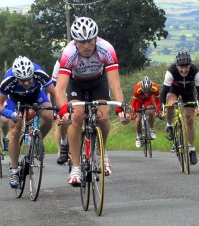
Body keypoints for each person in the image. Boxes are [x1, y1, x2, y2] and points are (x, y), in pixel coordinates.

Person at [54, 17, 129, 186]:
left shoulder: (107, 49)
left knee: (102, 117)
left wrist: (121, 109)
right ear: (75, 41)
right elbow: (59, 89)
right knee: (77, 116)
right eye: (81, 42)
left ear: (96, 38)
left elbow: (115, 85)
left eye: (89, 41)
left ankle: (102, 154)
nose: (86, 46)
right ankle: (76, 168)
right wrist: (64, 111)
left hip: (98, 82)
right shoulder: (68, 53)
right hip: (76, 84)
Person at [0, 56, 56, 188]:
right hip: (15, 99)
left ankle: (38, 141)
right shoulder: (8, 79)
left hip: (36, 95)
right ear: (16, 77)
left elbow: (54, 92)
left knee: (49, 116)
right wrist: (10, 114)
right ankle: (15, 171)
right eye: (23, 80)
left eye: (29, 79)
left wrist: (57, 110)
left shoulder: (39, 72)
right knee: (15, 130)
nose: (27, 82)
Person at [160, 50, 199, 165]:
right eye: (181, 67)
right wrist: (162, 107)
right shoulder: (171, 71)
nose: (184, 70)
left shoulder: (195, 71)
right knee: (170, 104)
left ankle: (192, 150)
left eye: (186, 67)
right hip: (174, 90)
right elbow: (164, 92)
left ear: (190, 65)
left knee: (189, 120)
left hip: (189, 92)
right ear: (177, 66)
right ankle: (169, 126)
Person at [130, 76, 161, 148]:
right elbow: (133, 103)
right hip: (139, 101)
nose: (146, 93)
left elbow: (158, 102)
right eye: (145, 91)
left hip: (148, 100)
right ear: (142, 88)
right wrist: (133, 113)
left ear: (151, 87)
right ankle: (138, 136)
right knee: (138, 118)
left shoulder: (155, 88)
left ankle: (151, 129)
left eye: (148, 91)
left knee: (151, 111)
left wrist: (158, 111)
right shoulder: (137, 88)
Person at [52, 60, 69, 165]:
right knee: (59, 122)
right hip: (60, 91)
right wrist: (54, 107)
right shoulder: (59, 63)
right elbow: (53, 87)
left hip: (74, 89)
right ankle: (60, 150)